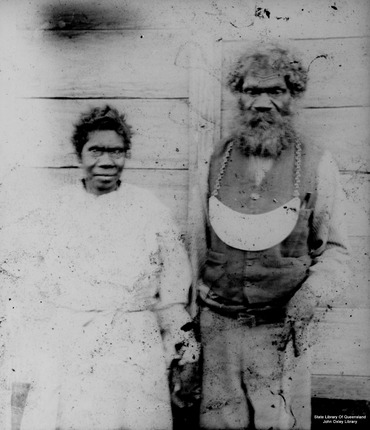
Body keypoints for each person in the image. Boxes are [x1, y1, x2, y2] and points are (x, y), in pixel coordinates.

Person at [1, 105, 199, 429]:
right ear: (79, 154)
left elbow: (174, 293)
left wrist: (182, 350)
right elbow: (26, 288)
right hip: (70, 345)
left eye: (116, 152)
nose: (106, 162)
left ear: (126, 155)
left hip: (134, 346)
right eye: (96, 150)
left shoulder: (151, 210)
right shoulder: (53, 209)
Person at [195, 44, 350, 429]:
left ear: (292, 96)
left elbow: (335, 251)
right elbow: (196, 243)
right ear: (239, 96)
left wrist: (310, 296)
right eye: (252, 91)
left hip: (281, 329)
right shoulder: (215, 159)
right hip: (220, 331)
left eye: (275, 91)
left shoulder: (317, 162)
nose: (263, 103)